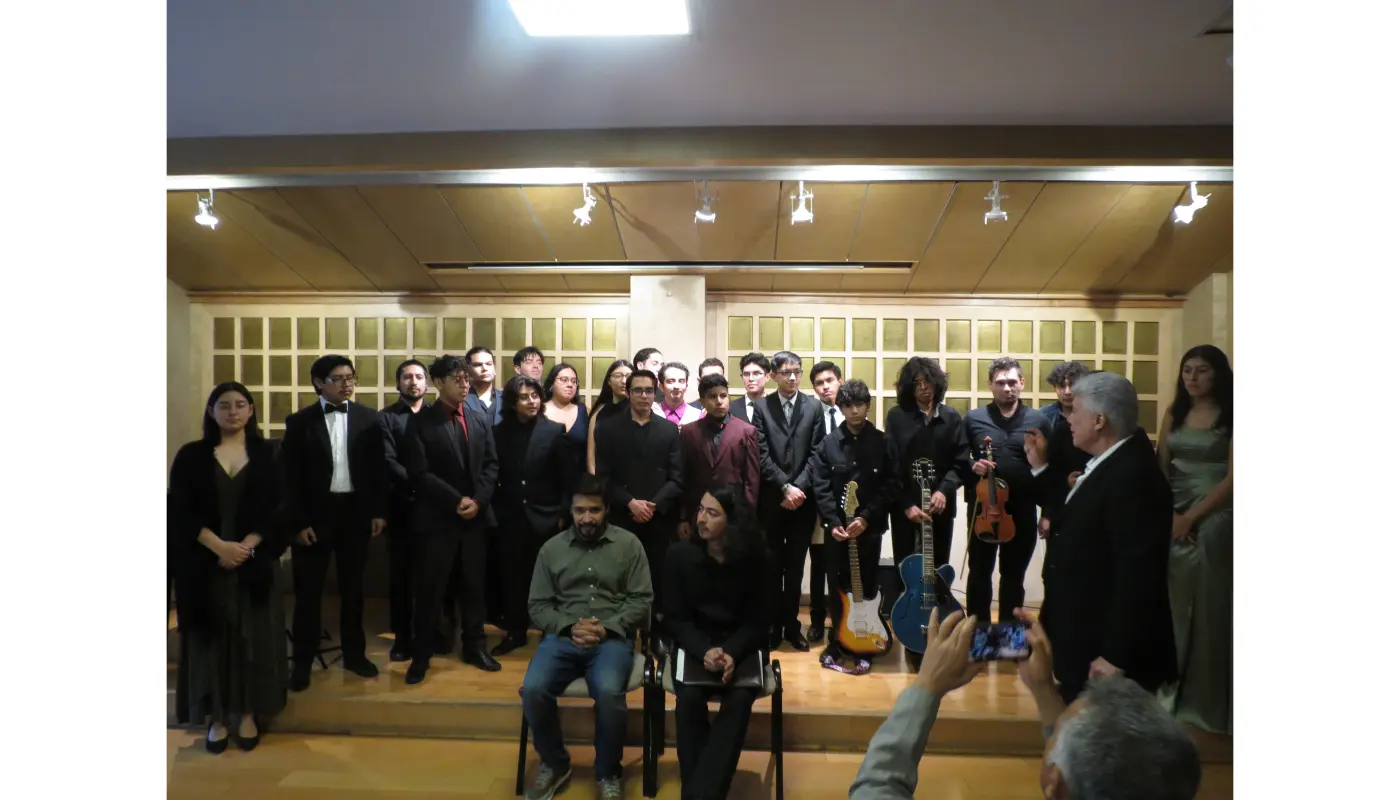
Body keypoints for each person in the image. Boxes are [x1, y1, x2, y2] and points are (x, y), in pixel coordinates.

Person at [847, 609, 1202, 799]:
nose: (1053, 728)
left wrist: (926, 686)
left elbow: (876, 787)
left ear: (1054, 785)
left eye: (1055, 733)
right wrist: (1044, 690)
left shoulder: (1060, 780)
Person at [1027, 371, 1176, 703]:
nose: (1069, 419)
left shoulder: (1133, 477)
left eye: (1075, 411)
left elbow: (1138, 575)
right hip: (1084, 639)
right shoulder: (1109, 464)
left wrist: (1115, 655)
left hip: (1107, 656)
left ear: (1099, 420)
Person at [171, 382, 288, 753]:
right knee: (212, 640)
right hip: (204, 563)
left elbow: (281, 508)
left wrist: (246, 547)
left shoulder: (270, 453)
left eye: (240, 405)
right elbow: (179, 510)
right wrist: (218, 545)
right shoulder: (191, 455)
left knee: (253, 638)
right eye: (224, 405)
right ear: (211, 411)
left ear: (251, 410)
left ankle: (248, 713)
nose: (233, 412)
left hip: (254, 561)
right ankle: (218, 718)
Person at [522, 474, 654, 800]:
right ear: (570, 510)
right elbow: (538, 605)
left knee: (608, 693)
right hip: (562, 637)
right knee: (533, 689)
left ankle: (608, 772)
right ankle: (555, 763)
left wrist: (607, 628)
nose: (586, 518)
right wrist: (569, 627)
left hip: (612, 639)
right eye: (580, 510)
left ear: (606, 509)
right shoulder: (551, 550)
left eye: (594, 510)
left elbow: (642, 600)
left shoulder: (629, 545)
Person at [281, 355, 387, 692]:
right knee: (308, 592)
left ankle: (355, 654)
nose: (347, 384)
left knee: (353, 591)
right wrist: (298, 523)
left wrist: (378, 512)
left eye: (350, 377)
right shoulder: (300, 422)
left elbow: (378, 471)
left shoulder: (369, 419)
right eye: (338, 378)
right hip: (314, 518)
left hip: (355, 515)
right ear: (318, 382)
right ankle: (302, 661)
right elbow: (289, 479)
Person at [665, 487, 773, 800]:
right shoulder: (679, 556)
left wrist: (732, 653)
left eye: (712, 513)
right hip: (696, 643)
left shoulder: (758, 560)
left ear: (733, 520)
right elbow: (674, 618)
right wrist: (704, 650)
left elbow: (760, 620)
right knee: (689, 699)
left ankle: (698, 795)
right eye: (700, 509)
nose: (701, 519)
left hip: (742, 645)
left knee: (739, 700)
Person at [400, 355, 502, 682]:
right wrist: (455, 500)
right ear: (439, 382)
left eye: (466, 378)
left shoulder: (478, 418)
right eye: (457, 379)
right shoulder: (420, 422)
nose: (464, 384)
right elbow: (419, 473)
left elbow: (491, 465)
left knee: (474, 588)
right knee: (430, 591)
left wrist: (479, 500)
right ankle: (421, 655)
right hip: (438, 519)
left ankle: (475, 646)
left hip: (475, 519)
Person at [1156, 345, 1233, 735]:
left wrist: (1193, 516)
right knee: (1172, 602)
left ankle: (1206, 700)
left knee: (1210, 605)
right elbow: (1160, 468)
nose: (1193, 377)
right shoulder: (1175, 412)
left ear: (1218, 374)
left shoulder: (1234, 414)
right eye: (1188, 370)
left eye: (1202, 370)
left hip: (1217, 514)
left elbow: (1235, 477)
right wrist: (1172, 514)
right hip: (1173, 513)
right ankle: (1170, 690)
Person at [594, 369, 683, 656]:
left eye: (648, 390)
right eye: (637, 390)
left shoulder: (668, 430)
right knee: (621, 578)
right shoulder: (608, 428)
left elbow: (677, 478)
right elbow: (603, 478)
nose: (644, 396)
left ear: (656, 393)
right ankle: (622, 633)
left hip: (659, 518)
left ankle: (655, 633)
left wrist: (653, 505)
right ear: (628, 393)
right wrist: (630, 503)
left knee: (658, 577)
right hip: (623, 516)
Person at [811, 380, 896, 672]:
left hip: (869, 529)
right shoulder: (829, 443)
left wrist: (867, 516)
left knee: (867, 586)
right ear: (841, 408)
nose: (855, 411)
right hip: (838, 531)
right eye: (848, 406)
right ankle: (837, 642)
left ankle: (864, 643)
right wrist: (832, 522)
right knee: (836, 587)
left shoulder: (882, 442)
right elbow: (820, 485)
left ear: (867, 406)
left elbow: (890, 484)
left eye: (859, 404)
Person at [491, 375, 577, 657]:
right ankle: (515, 631)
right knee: (512, 578)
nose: (531, 401)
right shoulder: (498, 433)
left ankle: (550, 631)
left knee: (550, 578)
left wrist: (563, 514)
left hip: (547, 516)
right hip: (511, 517)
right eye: (523, 397)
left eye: (535, 395)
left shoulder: (554, 430)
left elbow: (567, 479)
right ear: (512, 402)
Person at [380, 359, 454, 662]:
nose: (413, 382)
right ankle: (401, 638)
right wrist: (420, 480)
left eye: (419, 376)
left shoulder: (439, 416)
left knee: (434, 575)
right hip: (402, 507)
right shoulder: (386, 418)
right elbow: (388, 460)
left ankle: (433, 631)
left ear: (428, 382)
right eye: (407, 377)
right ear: (398, 383)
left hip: (436, 509)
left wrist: (434, 488)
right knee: (401, 576)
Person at [962, 357, 1045, 624]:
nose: (1007, 388)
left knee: (1013, 575)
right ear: (990, 385)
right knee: (979, 574)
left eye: (1012, 382)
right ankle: (978, 634)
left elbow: (1049, 468)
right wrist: (973, 465)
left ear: (1022, 383)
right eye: (1000, 383)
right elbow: (958, 458)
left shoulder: (1038, 420)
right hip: (984, 510)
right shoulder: (974, 419)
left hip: (1022, 510)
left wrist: (1048, 511)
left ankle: (1009, 636)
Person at [752, 351, 825, 652]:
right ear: (773, 375)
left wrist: (798, 488)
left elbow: (817, 452)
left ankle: (792, 626)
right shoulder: (761, 407)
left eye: (797, 371)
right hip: (772, 500)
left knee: (795, 568)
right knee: (771, 568)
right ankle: (772, 627)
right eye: (786, 372)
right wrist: (784, 487)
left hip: (803, 502)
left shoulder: (814, 406)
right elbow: (761, 453)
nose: (793, 377)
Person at [885, 357, 968, 574]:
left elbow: (961, 461)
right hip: (905, 509)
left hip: (941, 507)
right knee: (905, 571)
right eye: (917, 383)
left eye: (928, 381)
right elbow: (890, 465)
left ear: (937, 383)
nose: (923, 388)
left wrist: (944, 491)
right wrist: (906, 505)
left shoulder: (951, 417)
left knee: (938, 570)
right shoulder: (897, 417)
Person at [677, 373, 760, 538]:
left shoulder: (746, 431)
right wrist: (683, 517)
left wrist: (748, 516)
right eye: (712, 397)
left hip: (733, 511)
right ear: (702, 401)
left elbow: (751, 480)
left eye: (723, 395)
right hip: (698, 511)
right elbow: (684, 476)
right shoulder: (689, 432)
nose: (719, 401)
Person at [804, 360, 843, 643]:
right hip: (817, 498)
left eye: (830, 380)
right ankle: (817, 620)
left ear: (840, 381)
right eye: (819, 383)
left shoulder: (852, 412)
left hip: (848, 499)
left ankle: (844, 621)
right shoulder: (811, 414)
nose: (825, 387)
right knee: (819, 562)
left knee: (845, 564)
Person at [542, 362, 589, 481]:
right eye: (564, 380)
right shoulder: (539, 410)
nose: (570, 385)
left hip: (578, 481)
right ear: (552, 383)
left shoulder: (584, 411)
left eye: (574, 381)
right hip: (544, 479)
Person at [586, 359, 632, 475]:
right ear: (609, 381)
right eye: (618, 376)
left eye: (628, 376)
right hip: (602, 479)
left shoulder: (640, 410)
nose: (624, 381)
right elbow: (591, 457)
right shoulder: (599, 411)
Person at [1039, 361, 1089, 433]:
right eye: (1062, 386)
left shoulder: (1094, 415)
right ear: (1055, 388)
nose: (1067, 392)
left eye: (1072, 385)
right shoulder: (1043, 415)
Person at [655, 361, 705, 427]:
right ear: (661, 386)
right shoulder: (653, 413)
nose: (676, 386)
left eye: (681, 381)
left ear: (686, 385)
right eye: (671, 381)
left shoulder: (698, 416)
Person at [464, 346, 504, 424]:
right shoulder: (461, 400)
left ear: (494, 368)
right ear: (468, 370)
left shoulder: (506, 399)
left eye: (489, 364)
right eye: (478, 365)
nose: (484, 368)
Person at [729, 352, 770, 425]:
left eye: (756, 373)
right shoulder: (731, 408)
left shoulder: (776, 407)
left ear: (767, 377)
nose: (751, 378)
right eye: (746, 374)